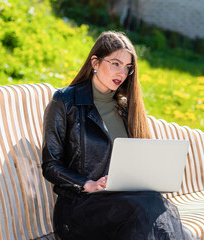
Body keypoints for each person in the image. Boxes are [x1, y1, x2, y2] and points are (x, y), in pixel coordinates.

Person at [42, 31, 193, 240]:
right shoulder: (65, 101)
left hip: (125, 205)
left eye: (127, 68)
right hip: (81, 209)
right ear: (95, 63)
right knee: (149, 209)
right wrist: (87, 184)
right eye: (115, 63)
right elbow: (50, 165)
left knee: (152, 204)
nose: (122, 73)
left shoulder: (125, 108)